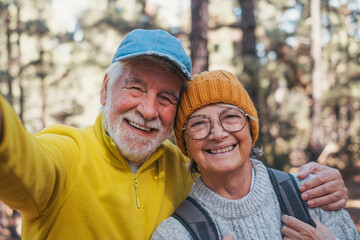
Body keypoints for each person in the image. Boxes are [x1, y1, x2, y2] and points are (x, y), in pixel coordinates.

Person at [0, 29, 349, 239]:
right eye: (135, 88)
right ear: (106, 89)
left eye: (165, 98)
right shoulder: (64, 155)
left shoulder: (186, 166)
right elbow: (20, 162)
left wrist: (324, 183)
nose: (149, 110)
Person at [151, 70, 360, 240]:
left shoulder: (313, 195)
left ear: (251, 129)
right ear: (184, 144)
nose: (218, 133)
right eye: (198, 123)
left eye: (231, 117)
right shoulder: (173, 234)